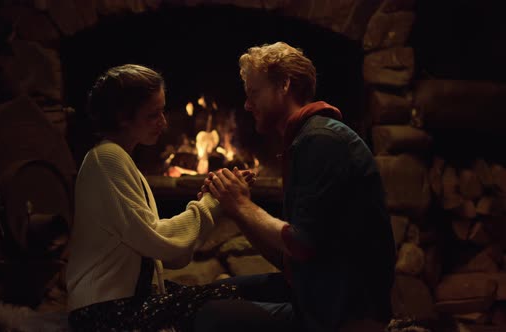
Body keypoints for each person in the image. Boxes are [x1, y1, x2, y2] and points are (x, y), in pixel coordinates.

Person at [196, 42, 396, 332]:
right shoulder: (307, 138)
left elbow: (301, 244)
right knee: (210, 295)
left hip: (343, 312)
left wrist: (241, 203)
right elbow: (290, 259)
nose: (247, 105)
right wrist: (235, 208)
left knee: (210, 317)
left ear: (284, 85)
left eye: (254, 93)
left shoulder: (322, 140)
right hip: (320, 292)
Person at [65, 64, 254, 331]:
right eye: (153, 115)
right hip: (102, 312)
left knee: (234, 289)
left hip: (123, 302)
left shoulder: (121, 162)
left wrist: (211, 206)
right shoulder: (107, 159)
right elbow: (163, 242)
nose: (164, 123)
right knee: (231, 299)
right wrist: (211, 203)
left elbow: (172, 257)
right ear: (122, 117)